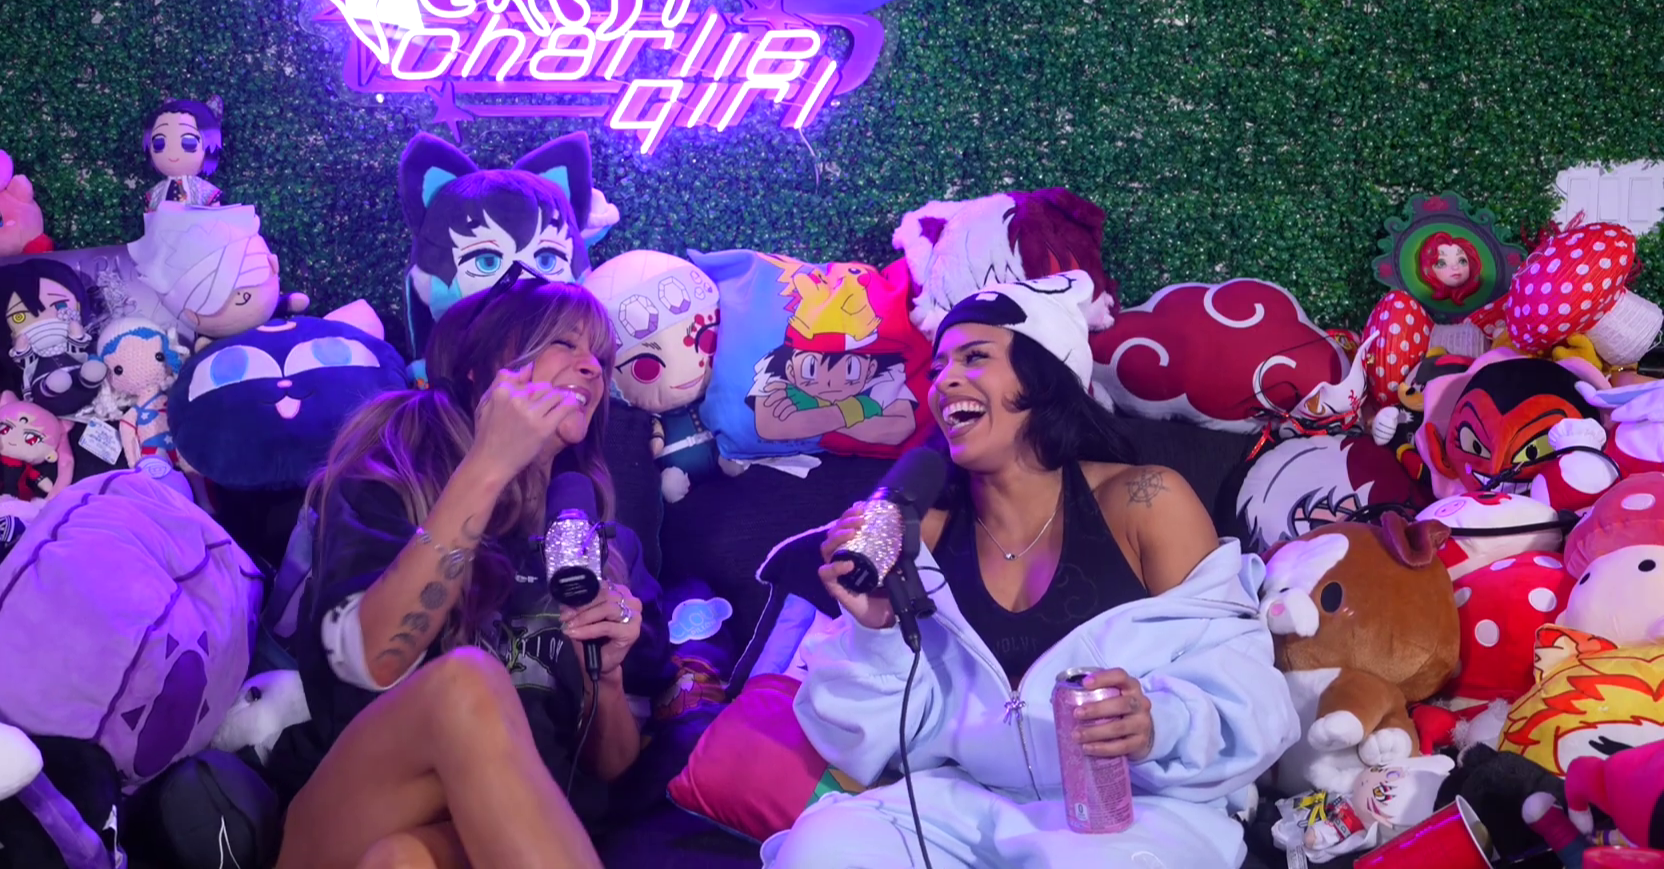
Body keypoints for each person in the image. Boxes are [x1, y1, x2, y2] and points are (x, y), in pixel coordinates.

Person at [764, 272, 1300, 869]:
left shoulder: (1146, 501)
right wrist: (877, 633)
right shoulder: (921, 535)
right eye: (938, 367)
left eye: (975, 356)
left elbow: (1248, 690)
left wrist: (1159, 726)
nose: (945, 381)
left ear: (1045, 376)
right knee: (821, 850)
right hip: (967, 806)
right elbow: (863, 744)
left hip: (1133, 808)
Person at [274, 268, 665, 869]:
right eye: (564, 342)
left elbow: (610, 767)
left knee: (403, 861)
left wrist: (604, 679)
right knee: (467, 681)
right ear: (484, 368)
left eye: (601, 358)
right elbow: (373, 659)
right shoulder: (395, 467)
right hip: (352, 807)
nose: (591, 367)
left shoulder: (600, 543)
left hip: (481, 841)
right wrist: (490, 463)